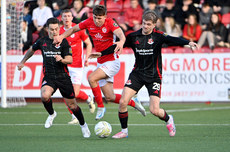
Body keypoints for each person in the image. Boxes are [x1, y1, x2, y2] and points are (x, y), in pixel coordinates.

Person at [109, 10, 198, 138]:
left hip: (154, 76)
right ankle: (124, 131)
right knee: (123, 102)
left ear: (154, 24)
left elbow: (173, 39)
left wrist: (187, 43)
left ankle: (168, 119)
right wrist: (102, 53)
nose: (145, 26)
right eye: (144, 23)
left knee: (154, 110)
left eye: (149, 24)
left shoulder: (159, 36)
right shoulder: (133, 36)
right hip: (137, 74)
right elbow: (119, 44)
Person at [54, 5, 146, 120]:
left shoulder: (110, 22)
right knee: (110, 96)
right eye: (95, 17)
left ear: (105, 17)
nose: (97, 21)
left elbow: (120, 34)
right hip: (101, 62)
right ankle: (133, 102)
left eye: (99, 18)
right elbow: (73, 29)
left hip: (112, 61)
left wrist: (121, 42)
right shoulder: (88, 22)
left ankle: (101, 107)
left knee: (92, 78)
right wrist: (61, 37)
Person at [17, 17, 90, 138]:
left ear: (59, 28)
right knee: (45, 95)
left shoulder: (64, 42)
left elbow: (70, 59)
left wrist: (62, 59)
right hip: (49, 77)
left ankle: (83, 125)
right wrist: (22, 62)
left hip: (63, 77)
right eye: (52, 29)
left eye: (56, 29)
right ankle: (52, 114)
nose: (54, 32)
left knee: (73, 106)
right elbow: (31, 50)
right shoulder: (42, 41)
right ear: (47, 29)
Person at [60, 9, 95, 124]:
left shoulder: (78, 28)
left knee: (74, 93)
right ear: (62, 18)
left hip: (77, 65)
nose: (66, 18)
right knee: (66, 93)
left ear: (72, 17)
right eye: (64, 16)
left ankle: (88, 98)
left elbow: (89, 43)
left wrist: (87, 57)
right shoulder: (60, 31)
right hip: (65, 64)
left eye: (69, 16)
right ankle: (74, 116)